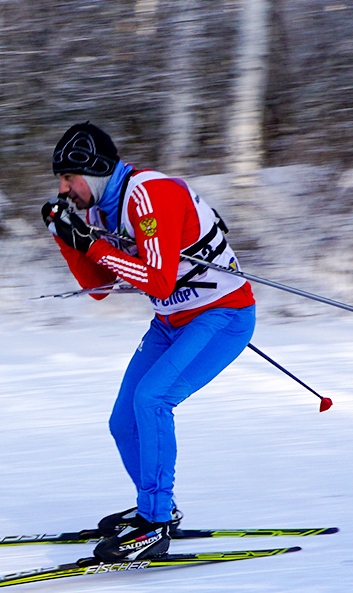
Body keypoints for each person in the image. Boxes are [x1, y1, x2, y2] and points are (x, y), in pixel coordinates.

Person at [40, 122, 257, 562]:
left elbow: (158, 282)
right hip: (171, 322)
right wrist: (68, 240)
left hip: (223, 315)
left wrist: (91, 245)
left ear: (96, 170)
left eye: (68, 178)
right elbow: (99, 287)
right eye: (61, 181)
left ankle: (154, 522)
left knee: (152, 399)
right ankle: (157, 509)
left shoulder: (147, 195)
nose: (64, 189)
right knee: (123, 421)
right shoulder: (103, 209)